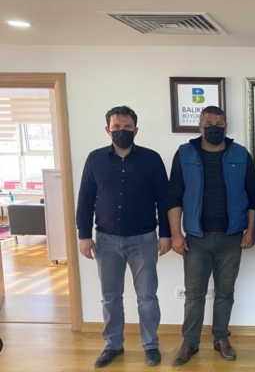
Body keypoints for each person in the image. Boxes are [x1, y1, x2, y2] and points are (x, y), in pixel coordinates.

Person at [76, 105, 171, 368]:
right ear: (107, 130)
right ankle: (113, 345)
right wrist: (84, 235)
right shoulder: (95, 159)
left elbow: (163, 200)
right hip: (105, 241)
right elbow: (85, 199)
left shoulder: (151, 159)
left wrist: (166, 234)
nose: (121, 131)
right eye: (116, 127)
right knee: (110, 297)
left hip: (144, 239)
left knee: (147, 297)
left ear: (136, 130)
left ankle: (150, 345)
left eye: (127, 127)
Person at [167, 106, 255, 366]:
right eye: (208, 123)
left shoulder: (240, 154)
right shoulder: (185, 153)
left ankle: (221, 339)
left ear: (226, 126)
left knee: (225, 292)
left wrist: (251, 230)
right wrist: (176, 234)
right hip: (196, 238)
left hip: (231, 237)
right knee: (194, 294)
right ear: (200, 126)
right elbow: (174, 196)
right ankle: (190, 343)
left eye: (219, 124)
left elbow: (253, 196)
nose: (214, 128)